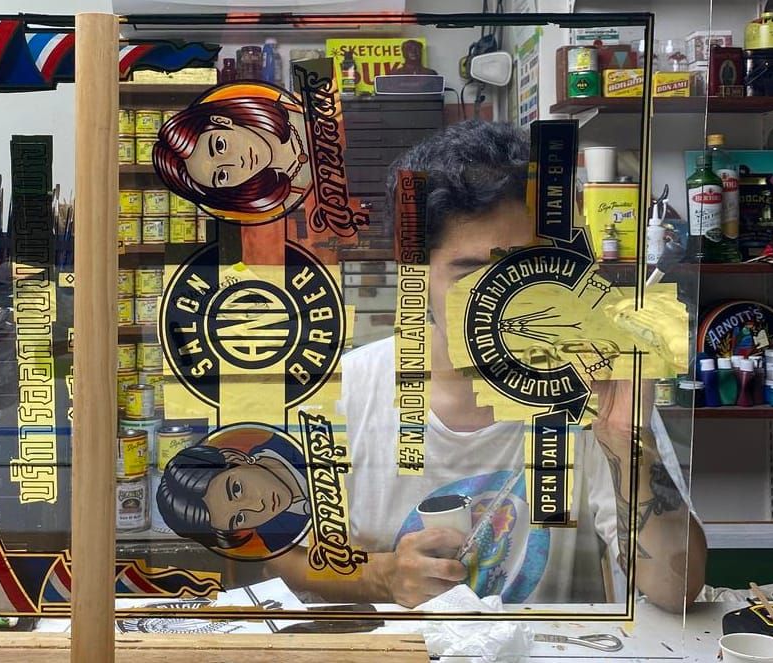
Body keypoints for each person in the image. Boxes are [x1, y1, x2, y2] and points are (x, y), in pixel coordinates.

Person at [266, 120, 707, 612]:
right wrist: (382, 576)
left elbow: (677, 589)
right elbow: (285, 551)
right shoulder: (343, 393)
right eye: (472, 271)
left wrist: (627, 442)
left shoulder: (595, 392)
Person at [153, 83, 311, 222]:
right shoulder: (279, 206)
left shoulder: (293, 104)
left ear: (221, 120)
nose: (237, 163)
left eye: (220, 146)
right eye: (222, 175)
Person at [156, 427, 311, 557]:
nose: (258, 507)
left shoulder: (290, 438)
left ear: (235, 457)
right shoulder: (275, 537)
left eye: (237, 490)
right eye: (239, 518)